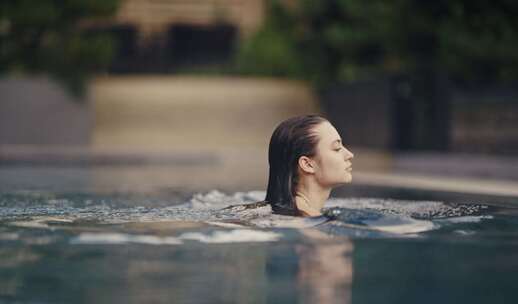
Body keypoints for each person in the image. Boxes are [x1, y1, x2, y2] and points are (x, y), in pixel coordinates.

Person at [266, 115, 354, 217]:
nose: (350, 155)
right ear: (307, 164)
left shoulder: (280, 211)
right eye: (337, 148)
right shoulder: (311, 222)